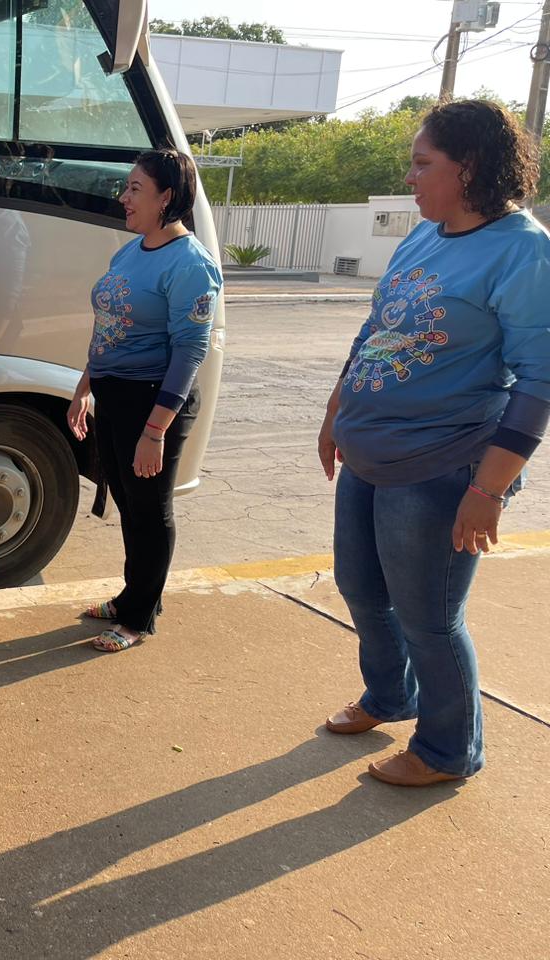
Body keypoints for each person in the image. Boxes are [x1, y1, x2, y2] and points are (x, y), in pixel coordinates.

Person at [318, 100, 550, 787]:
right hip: (370, 452)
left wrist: (489, 490)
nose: (411, 178)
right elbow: (377, 332)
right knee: (360, 586)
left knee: (430, 618)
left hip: (442, 466)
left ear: (470, 167)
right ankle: (391, 695)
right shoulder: (426, 235)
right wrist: (336, 411)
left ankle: (450, 750)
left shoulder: (523, 250)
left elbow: (539, 380)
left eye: (424, 164)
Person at [67, 149, 220, 653]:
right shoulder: (130, 251)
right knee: (129, 505)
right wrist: (84, 387)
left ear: (167, 198)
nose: (123, 197)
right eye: (126, 187)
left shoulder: (192, 264)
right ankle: (134, 595)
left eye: (135, 188)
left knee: (150, 510)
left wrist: (155, 431)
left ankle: (138, 618)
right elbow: (110, 327)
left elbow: (190, 351)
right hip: (114, 394)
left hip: (154, 401)